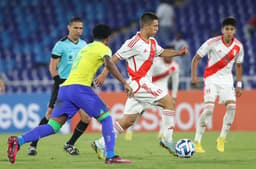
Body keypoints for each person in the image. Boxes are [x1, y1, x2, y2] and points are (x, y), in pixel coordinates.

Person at [7, 24, 133, 164]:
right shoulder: (104, 48)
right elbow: (109, 64)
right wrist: (124, 82)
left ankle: (18, 141)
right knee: (106, 118)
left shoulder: (86, 48)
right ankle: (110, 155)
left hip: (65, 89)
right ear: (108, 39)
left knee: (53, 126)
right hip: (79, 88)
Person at [91, 12, 188, 159]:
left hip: (140, 85)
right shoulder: (133, 43)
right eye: (155, 26)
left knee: (127, 121)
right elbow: (115, 57)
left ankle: (101, 143)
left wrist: (178, 53)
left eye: (157, 26)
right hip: (138, 83)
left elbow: (162, 52)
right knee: (168, 101)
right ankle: (167, 140)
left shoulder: (153, 42)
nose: (157, 28)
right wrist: (104, 74)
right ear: (146, 26)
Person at [27, 17, 90, 156]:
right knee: (49, 116)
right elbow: (53, 67)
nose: (79, 31)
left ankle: (70, 144)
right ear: (69, 28)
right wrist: (59, 82)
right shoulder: (60, 45)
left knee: (86, 118)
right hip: (63, 85)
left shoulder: (84, 45)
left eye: (81, 28)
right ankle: (33, 144)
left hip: (79, 86)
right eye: (76, 28)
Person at [191, 17, 243, 153]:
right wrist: (194, 76)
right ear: (222, 30)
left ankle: (222, 138)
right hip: (211, 79)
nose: (229, 32)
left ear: (235, 31)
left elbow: (238, 66)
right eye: (227, 29)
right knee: (208, 110)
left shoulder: (239, 46)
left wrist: (239, 85)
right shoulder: (212, 42)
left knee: (232, 107)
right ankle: (197, 141)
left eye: (231, 29)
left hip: (227, 80)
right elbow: (196, 59)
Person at [124, 56, 180, 140]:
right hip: (148, 88)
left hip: (162, 91)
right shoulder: (156, 61)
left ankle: (162, 134)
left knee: (165, 112)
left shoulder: (175, 67)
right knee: (139, 112)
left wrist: (174, 97)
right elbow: (145, 72)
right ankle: (129, 131)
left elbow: (176, 82)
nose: (169, 57)